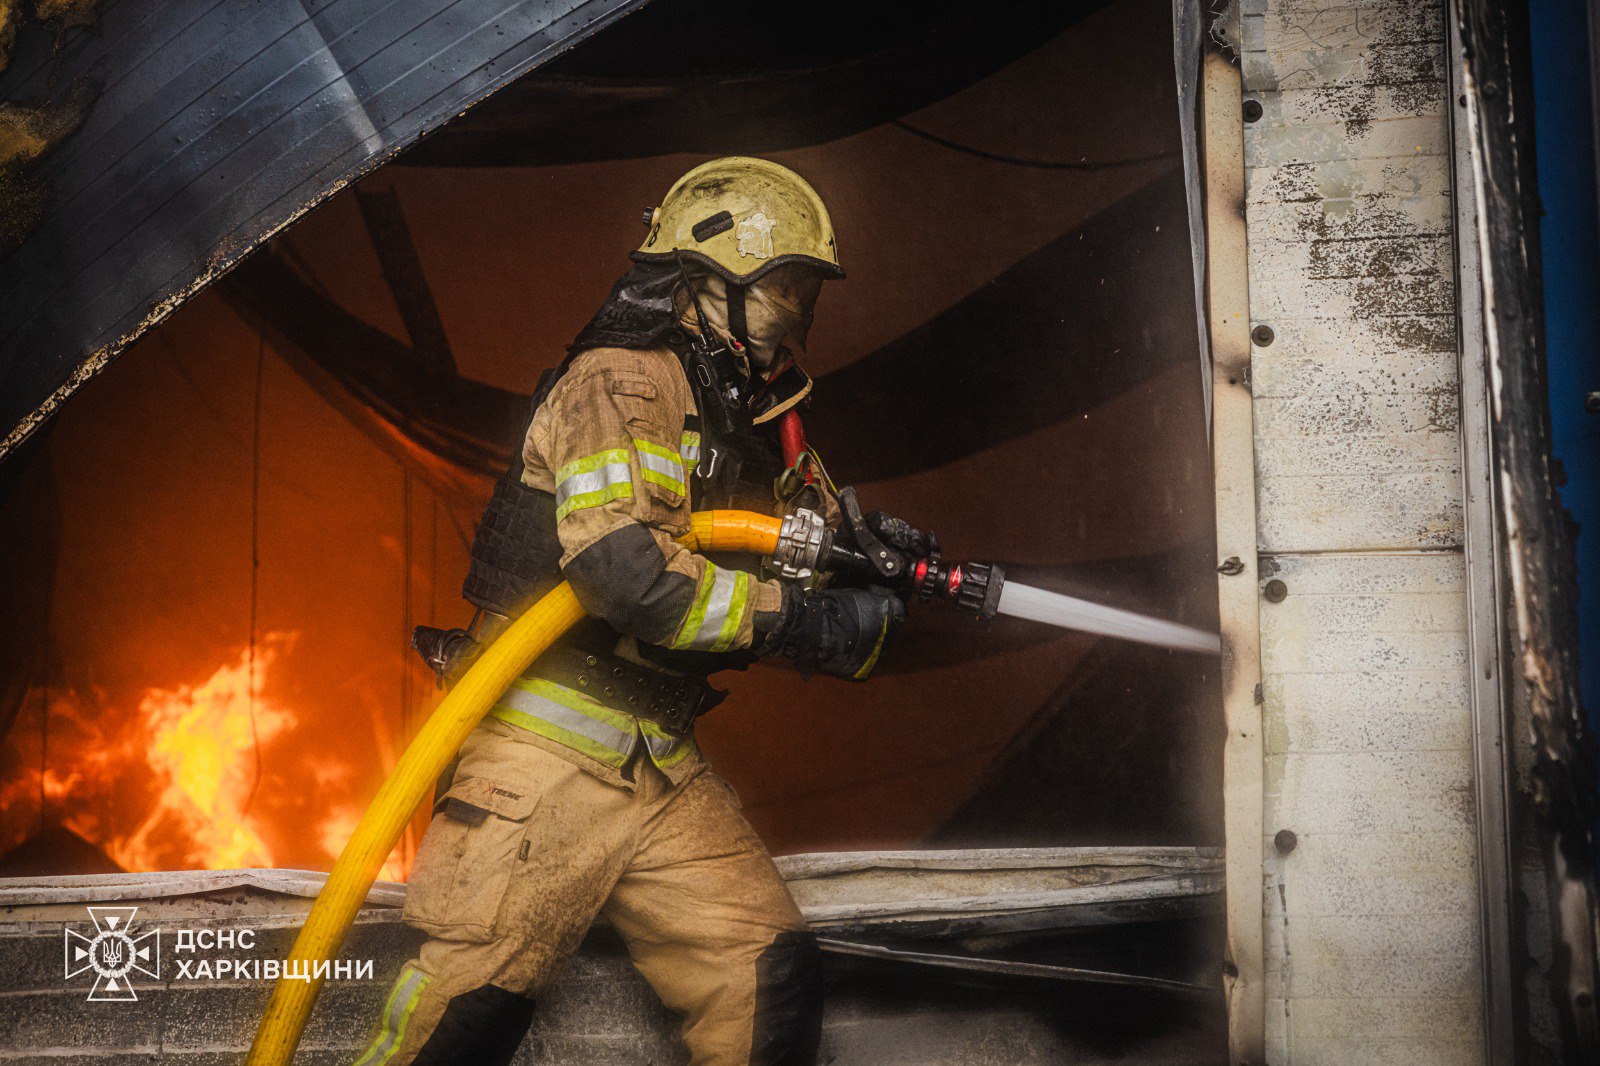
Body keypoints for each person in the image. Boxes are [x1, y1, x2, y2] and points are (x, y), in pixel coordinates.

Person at [360, 157, 918, 1065]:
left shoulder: (746, 422)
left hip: (656, 765)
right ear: (707, 283)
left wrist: (877, 568)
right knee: (463, 1027)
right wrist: (795, 621)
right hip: (538, 762)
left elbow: (787, 557)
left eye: (807, 294)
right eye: (783, 289)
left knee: (767, 978)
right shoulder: (621, 381)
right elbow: (630, 579)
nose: (799, 317)